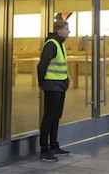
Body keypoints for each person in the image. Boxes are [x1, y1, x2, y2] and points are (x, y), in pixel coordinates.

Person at [37, 14, 72, 161]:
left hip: (60, 85)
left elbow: (61, 65)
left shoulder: (60, 44)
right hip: (52, 86)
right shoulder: (51, 44)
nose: (69, 32)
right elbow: (42, 65)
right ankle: (44, 149)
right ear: (59, 30)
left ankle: (54, 145)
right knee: (49, 117)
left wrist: (66, 80)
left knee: (56, 116)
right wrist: (42, 83)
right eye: (67, 29)